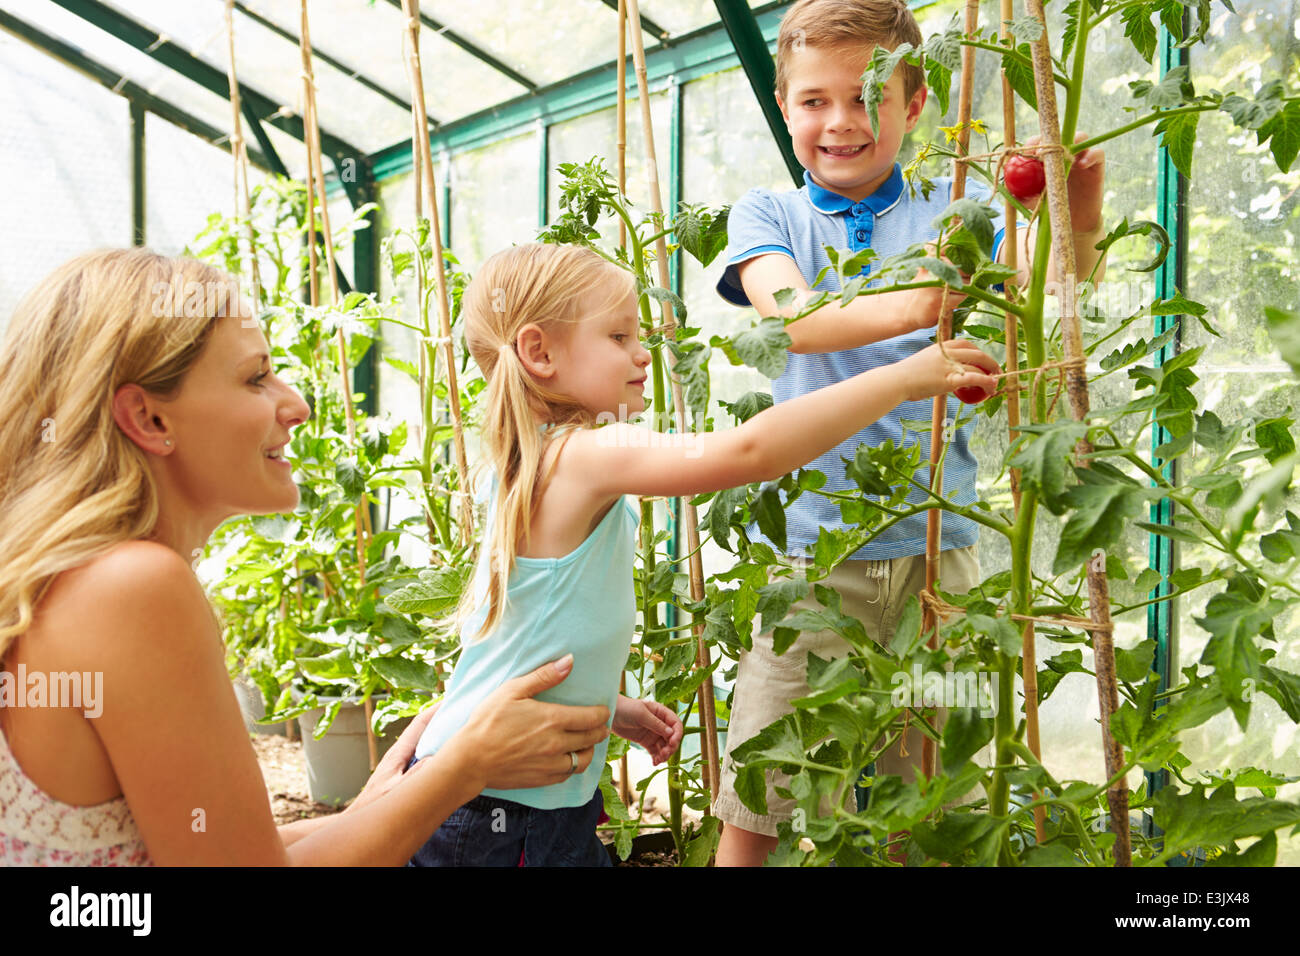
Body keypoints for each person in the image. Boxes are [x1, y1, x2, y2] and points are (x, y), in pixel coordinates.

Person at [0, 247, 613, 866]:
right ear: (149, 417)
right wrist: (464, 766)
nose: (296, 404)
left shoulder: (73, 582)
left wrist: (375, 810)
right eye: (255, 377)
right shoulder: (131, 586)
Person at [403, 241, 1000, 866]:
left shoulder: (532, 465)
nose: (642, 353)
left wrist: (612, 709)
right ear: (538, 352)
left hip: (503, 799)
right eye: (617, 336)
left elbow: (523, 641)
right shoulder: (580, 456)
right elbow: (748, 452)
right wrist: (903, 378)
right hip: (503, 815)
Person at [711, 0, 1108, 865]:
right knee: (757, 794)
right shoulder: (769, 215)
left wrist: (1078, 206)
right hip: (810, 562)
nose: (841, 121)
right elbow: (795, 320)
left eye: (868, 97)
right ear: (786, 107)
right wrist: (930, 301)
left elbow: (1047, 295)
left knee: (927, 793)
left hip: (945, 555)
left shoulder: (960, 207)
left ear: (915, 104)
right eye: (815, 100)